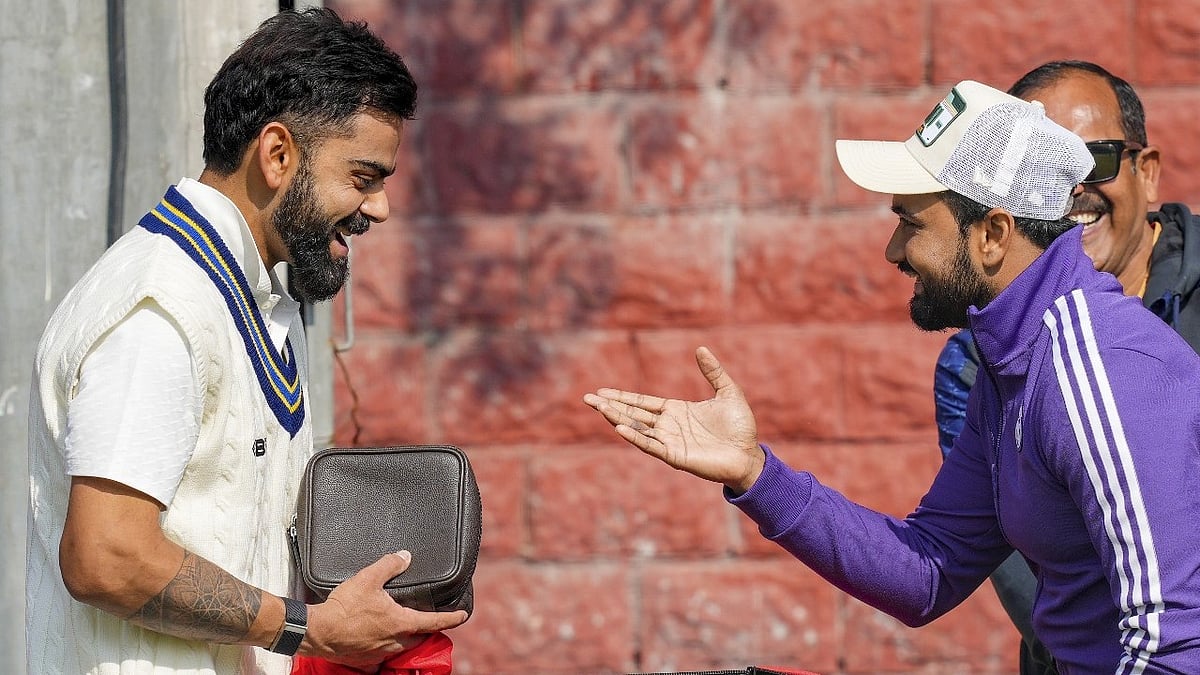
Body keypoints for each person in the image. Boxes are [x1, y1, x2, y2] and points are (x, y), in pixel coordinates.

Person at [584, 80, 1200, 672]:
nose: (893, 251)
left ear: (992, 233)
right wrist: (756, 474)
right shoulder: (1012, 357)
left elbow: (1175, 642)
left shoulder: (1101, 367)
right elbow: (928, 570)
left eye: (910, 222)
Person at [26, 8, 466, 674]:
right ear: (278, 154)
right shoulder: (160, 308)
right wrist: (308, 628)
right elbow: (105, 555)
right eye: (363, 177)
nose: (378, 207)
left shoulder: (250, 296)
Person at [933, 61, 1200, 675]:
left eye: (1091, 161)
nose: (1068, 190)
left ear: (1147, 172)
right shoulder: (980, 362)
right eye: (1036, 172)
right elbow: (1008, 572)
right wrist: (759, 477)